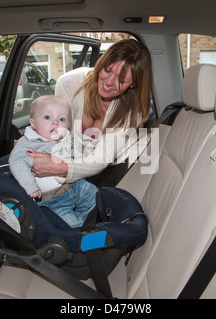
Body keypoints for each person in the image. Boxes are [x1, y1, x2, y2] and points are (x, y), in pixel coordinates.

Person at [28, 38, 154, 184]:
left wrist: (58, 169)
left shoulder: (133, 110)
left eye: (121, 80)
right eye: (107, 70)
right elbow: (55, 134)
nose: (108, 82)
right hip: (68, 159)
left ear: (132, 84)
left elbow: (102, 158)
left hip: (108, 170)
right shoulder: (70, 84)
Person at [9, 95, 98, 228]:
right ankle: (78, 231)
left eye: (61, 119)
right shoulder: (29, 143)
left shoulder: (63, 138)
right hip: (53, 200)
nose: (55, 122)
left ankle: (88, 224)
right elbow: (16, 161)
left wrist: (79, 157)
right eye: (47, 117)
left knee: (96, 197)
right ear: (33, 123)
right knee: (71, 225)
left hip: (76, 186)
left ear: (68, 126)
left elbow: (69, 151)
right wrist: (29, 186)